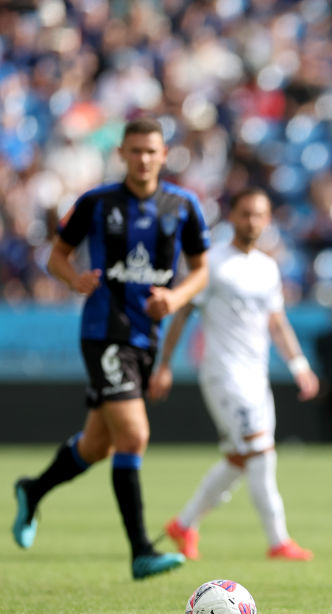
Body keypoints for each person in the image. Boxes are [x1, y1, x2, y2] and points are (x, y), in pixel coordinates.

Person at [12, 117, 209, 579]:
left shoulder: (183, 206)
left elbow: (200, 269)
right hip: (104, 332)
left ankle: (33, 490)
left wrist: (176, 298)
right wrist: (73, 278)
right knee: (134, 435)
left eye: (151, 151)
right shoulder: (97, 203)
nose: (142, 159)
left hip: (146, 339)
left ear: (163, 156)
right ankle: (140, 550)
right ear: (121, 154)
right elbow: (56, 254)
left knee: (97, 445)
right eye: (135, 150)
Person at [149, 188, 319, 561]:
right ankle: (278, 540)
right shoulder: (211, 264)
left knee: (240, 459)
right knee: (261, 451)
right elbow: (182, 314)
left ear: (268, 219)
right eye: (245, 214)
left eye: (259, 215)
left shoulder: (267, 267)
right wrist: (163, 366)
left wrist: (299, 365)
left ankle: (184, 524)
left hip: (256, 379)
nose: (252, 222)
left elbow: (277, 322)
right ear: (232, 217)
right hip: (223, 375)